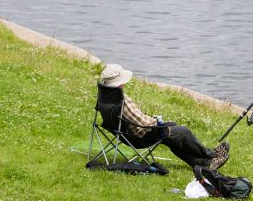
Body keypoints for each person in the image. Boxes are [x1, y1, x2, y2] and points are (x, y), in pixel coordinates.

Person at [97, 63, 229, 171]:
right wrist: (162, 123)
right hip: (139, 137)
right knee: (182, 132)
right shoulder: (122, 101)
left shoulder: (105, 97)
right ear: (120, 82)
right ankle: (211, 154)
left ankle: (204, 163)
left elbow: (133, 119)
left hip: (123, 134)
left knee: (173, 139)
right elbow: (144, 123)